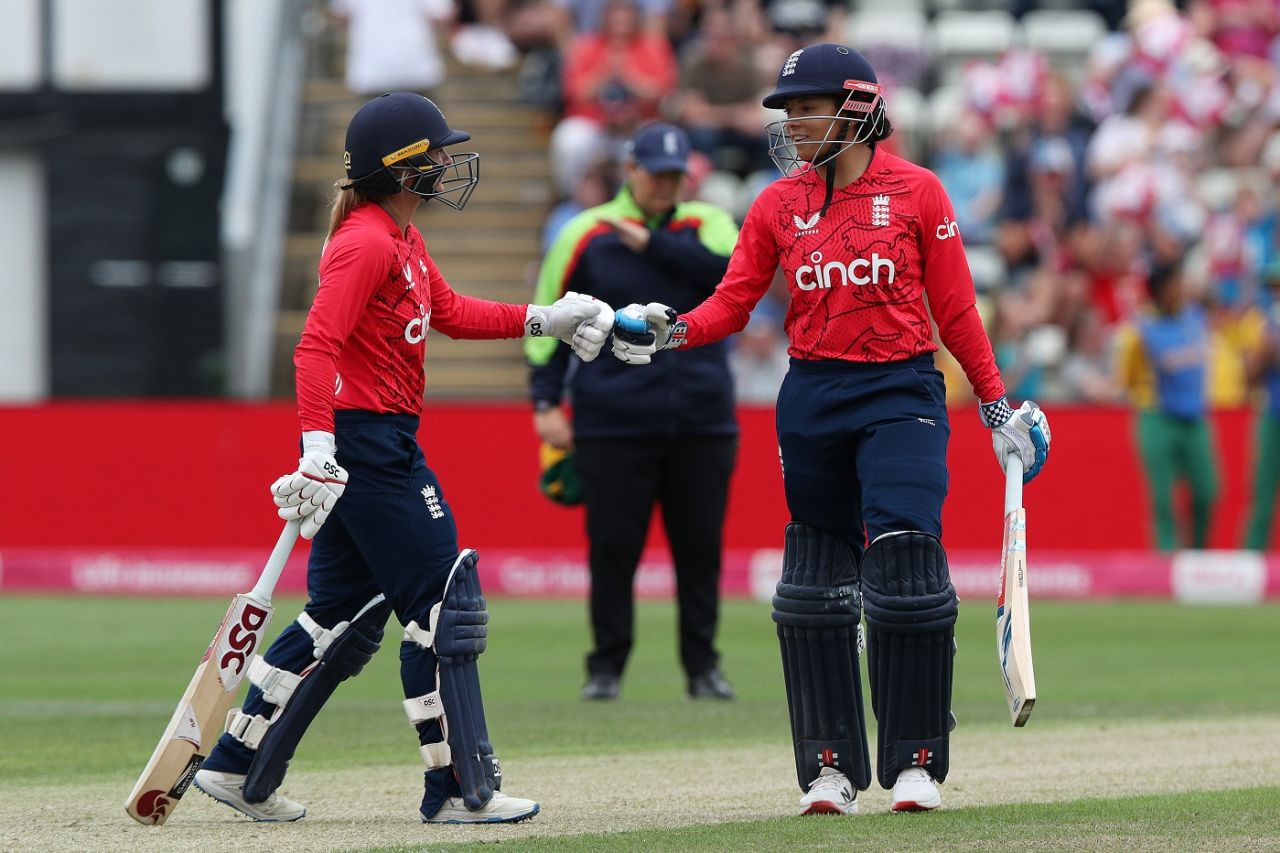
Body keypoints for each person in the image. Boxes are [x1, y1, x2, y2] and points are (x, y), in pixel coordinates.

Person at [610, 44, 1052, 815]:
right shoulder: (778, 204)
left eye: (808, 108)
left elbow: (955, 311)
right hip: (812, 394)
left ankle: (916, 760)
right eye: (787, 110)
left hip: (902, 388)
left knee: (907, 566)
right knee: (814, 588)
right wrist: (672, 330)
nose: (794, 123)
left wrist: (993, 406)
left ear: (856, 109)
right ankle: (829, 768)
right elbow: (732, 302)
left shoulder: (918, 192)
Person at [191, 92, 614, 824]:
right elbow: (314, 346)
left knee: (337, 613)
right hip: (365, 442)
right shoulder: (365, 242)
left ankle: (236, 764)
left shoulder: (400, 240)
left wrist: (548, 316)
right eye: (436, 154)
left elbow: (449, 313)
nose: (448, 164)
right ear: (400, 167)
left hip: (373, 439)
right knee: (442, 603)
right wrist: (320, 447)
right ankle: (456, 787)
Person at [527, 122, 741, 702]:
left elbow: (731, 279)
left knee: (700, 549)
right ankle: (606, 668)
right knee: (613, 548)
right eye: (658, 174)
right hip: (612, 418)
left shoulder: (710, 222)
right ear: (631, 171)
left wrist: (653, 245)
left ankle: (703, 668)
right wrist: (545, 400)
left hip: (702, 417)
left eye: (677, 176)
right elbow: (550, 321)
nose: (668, 185)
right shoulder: (585, 233)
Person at [1114, 261, 1219, 550]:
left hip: (1196, 417)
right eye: (1177, 282)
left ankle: (1197, 558)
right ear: (1161, 290)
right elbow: (1125, 379)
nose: (1183, 288)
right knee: (1163, 497)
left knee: (1207, 491)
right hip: (1157, 417)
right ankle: (1167, 563)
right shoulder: (1140, 330)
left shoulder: (1195, 318)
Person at [1240, 266, 1280, 548]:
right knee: (1262, 497)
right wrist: (1262, 357)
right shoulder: (1262, 322)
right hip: (1273, 415)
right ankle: (1250, 567)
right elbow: (1248, 377)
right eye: (1273, 285)